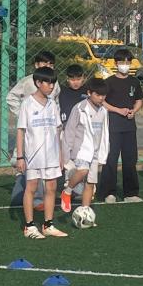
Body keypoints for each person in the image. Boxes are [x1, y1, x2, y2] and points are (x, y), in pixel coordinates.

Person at [16, 66, 66, 238]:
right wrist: (20, 156)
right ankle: (29, 226)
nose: (51, 86)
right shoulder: (27, 104)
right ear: (38, 83)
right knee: (31, 187)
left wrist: (60, 155)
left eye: (53, 83)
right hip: (33, 155)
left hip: (51, 155)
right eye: (48, 83)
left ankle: (48, 225)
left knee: (51, 187)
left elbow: (58, 131)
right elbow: (21, 131)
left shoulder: (53, 104)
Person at [7, 51, 61, 206]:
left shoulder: (54, 84)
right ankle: (26, 196)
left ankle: (42, 199)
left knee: (46, 165)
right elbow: (11, 98)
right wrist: (24, 115)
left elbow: (56, 104)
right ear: (36, 65)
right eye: (44, 63)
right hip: (32, 131)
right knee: (27, 163)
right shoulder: (27, 81)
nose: (48, 66)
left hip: (47, 130)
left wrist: (56, 124)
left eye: (51, 64)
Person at [97, 48, 143, 203]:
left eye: (128, 62)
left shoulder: (134, 81)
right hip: (113, 125)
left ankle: (130, 193)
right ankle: (108, 192)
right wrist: (118, 110)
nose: (125, 65)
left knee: (130, 159)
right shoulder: (109, 82)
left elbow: (139, 100)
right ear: (116, 63)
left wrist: (134, 111)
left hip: (129, 126)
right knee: (111, 159)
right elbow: (102, 101)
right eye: (122, 62)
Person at [60, 77, 109, 215]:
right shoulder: (80, 108)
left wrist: (102, 154)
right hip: (80, 150)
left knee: (90, 182)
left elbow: (104, 134)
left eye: (103, 95)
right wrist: (66, 154)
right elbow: (69, 131)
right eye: (97, 95)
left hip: (94, 152)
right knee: (83, 171)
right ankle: (67, 191)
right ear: (89, 92)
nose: (101, 98)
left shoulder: (103, 111)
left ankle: (85, 211)